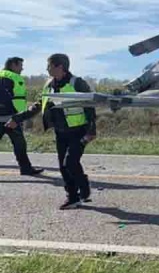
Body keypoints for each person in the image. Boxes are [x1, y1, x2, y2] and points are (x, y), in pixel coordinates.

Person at [8, 54, 97, 210]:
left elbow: (90, 106)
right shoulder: (48, 84)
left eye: (49, 65)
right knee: (64, 166)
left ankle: (82, 187)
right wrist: (18, 118)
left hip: (78, 131)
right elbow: (38, 105)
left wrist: (91, 130)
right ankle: (73, 197)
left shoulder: (77, 83)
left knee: (70, 162)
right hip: (60, 132)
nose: (46, 68)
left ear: (59, 67)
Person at [0, 57, 43, 176]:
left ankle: (26, 169)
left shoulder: (5, 75)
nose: (22, 68)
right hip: (9, 118)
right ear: (13, 65)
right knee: (19, 145)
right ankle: (26, 169)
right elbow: (3, 96)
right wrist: (14, 115)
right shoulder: (8, 76)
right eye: (20, 65)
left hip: (12, 117)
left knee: (20, 145)